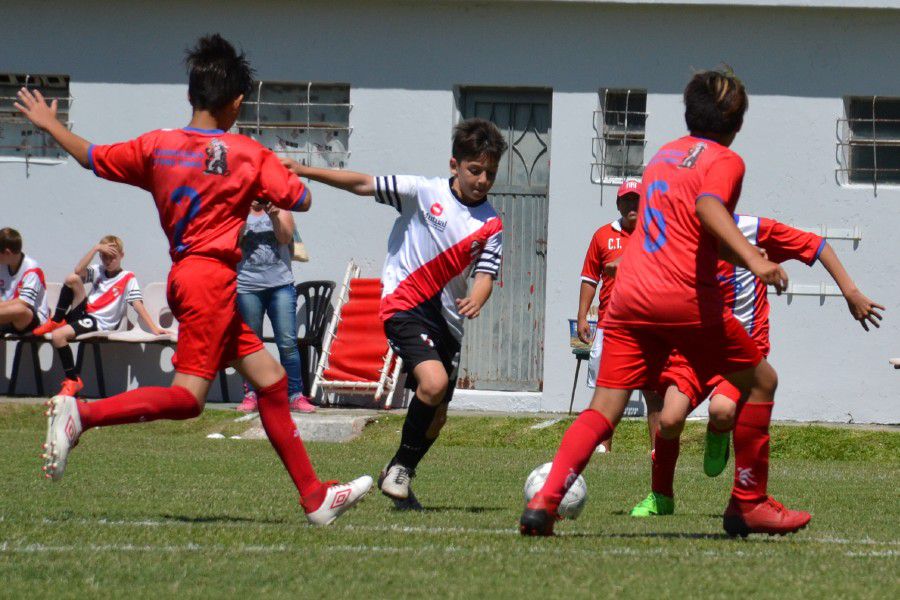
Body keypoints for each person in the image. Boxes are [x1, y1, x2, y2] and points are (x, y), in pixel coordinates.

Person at [15, 34, 371, 526]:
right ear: (238, 102)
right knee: (187, 400)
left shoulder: (157, 147)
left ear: (190, 95)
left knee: (271, 383)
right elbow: (300, 200)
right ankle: (83, 416)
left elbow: (92, 157)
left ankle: (314, 498)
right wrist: (279, 172)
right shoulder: (248, 152)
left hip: (189, 278)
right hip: (213, 283)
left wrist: (53, 124)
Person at [520, 69, 811, 538]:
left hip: (632, 297)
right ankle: (748, 503)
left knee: (604, 408)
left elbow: (678, 226)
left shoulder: (663, 157)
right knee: (762, 382)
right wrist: (755, 260)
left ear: (687, 113)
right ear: (737, 123)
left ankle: (545, 503)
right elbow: (709, 210)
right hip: (684, 297)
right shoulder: (726, 160)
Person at [281, 117, 506, 509]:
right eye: (475, 170)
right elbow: (364, 184)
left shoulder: (491, 223)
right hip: (404, 305)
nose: (483, 179)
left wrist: (479, 297)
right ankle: (401, 467)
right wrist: (305, 171)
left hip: (449, 323)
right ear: (454, 165)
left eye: (490, 172)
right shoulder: (422, 192)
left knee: (436, 417)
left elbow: (486, 274)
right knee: (432, 384)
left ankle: (398, 473)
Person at [629, 214, 883, 517]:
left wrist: (850, 292)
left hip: (740, 350)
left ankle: (719, 431)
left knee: (721, 410)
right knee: (669, 421)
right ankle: (661, 497)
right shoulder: (682, 232)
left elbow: (817, 246)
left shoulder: (755, 230)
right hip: (693, 350)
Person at [33, 236, 168, 397]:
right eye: (104, 256)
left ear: (122, 256)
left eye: (112, 257)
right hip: (84, 314)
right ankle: (56, 320)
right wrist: (96, 248)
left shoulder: (128, 277)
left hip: (100, 322)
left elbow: (137, 303)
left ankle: (72, 379)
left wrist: (154, 328)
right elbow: (78, 270)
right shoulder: (98, 270)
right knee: (72, 278)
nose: (108, 261)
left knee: (58, 336)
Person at [578, 179, 657, 452]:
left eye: (637, 200)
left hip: (648, 325)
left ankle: (658, 451)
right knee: (606, 392)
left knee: (653, 390)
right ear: (618, 204)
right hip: (611, 325)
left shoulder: (656, 235)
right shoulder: (602, 235)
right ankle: (603, 449)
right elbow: (589, 279)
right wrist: (582, 318)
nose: (632, 205)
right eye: (627, 200)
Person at [235, 200, 315, 413]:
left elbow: (285, 238)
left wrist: (274, 213)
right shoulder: (237, 209)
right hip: (247, 287)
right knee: (251, 344)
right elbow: (233, 241)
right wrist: (242, 213)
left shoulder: (281, 210)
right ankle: (251, 394)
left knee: (287, 343)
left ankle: (295, 395)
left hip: (280, 286)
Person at [0, 227, 49, 335]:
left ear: (7, 253)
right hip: (5, 316)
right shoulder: (2, 265)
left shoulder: (31, 268)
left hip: (31, 318)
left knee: (19, 309)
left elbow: (24, 303)